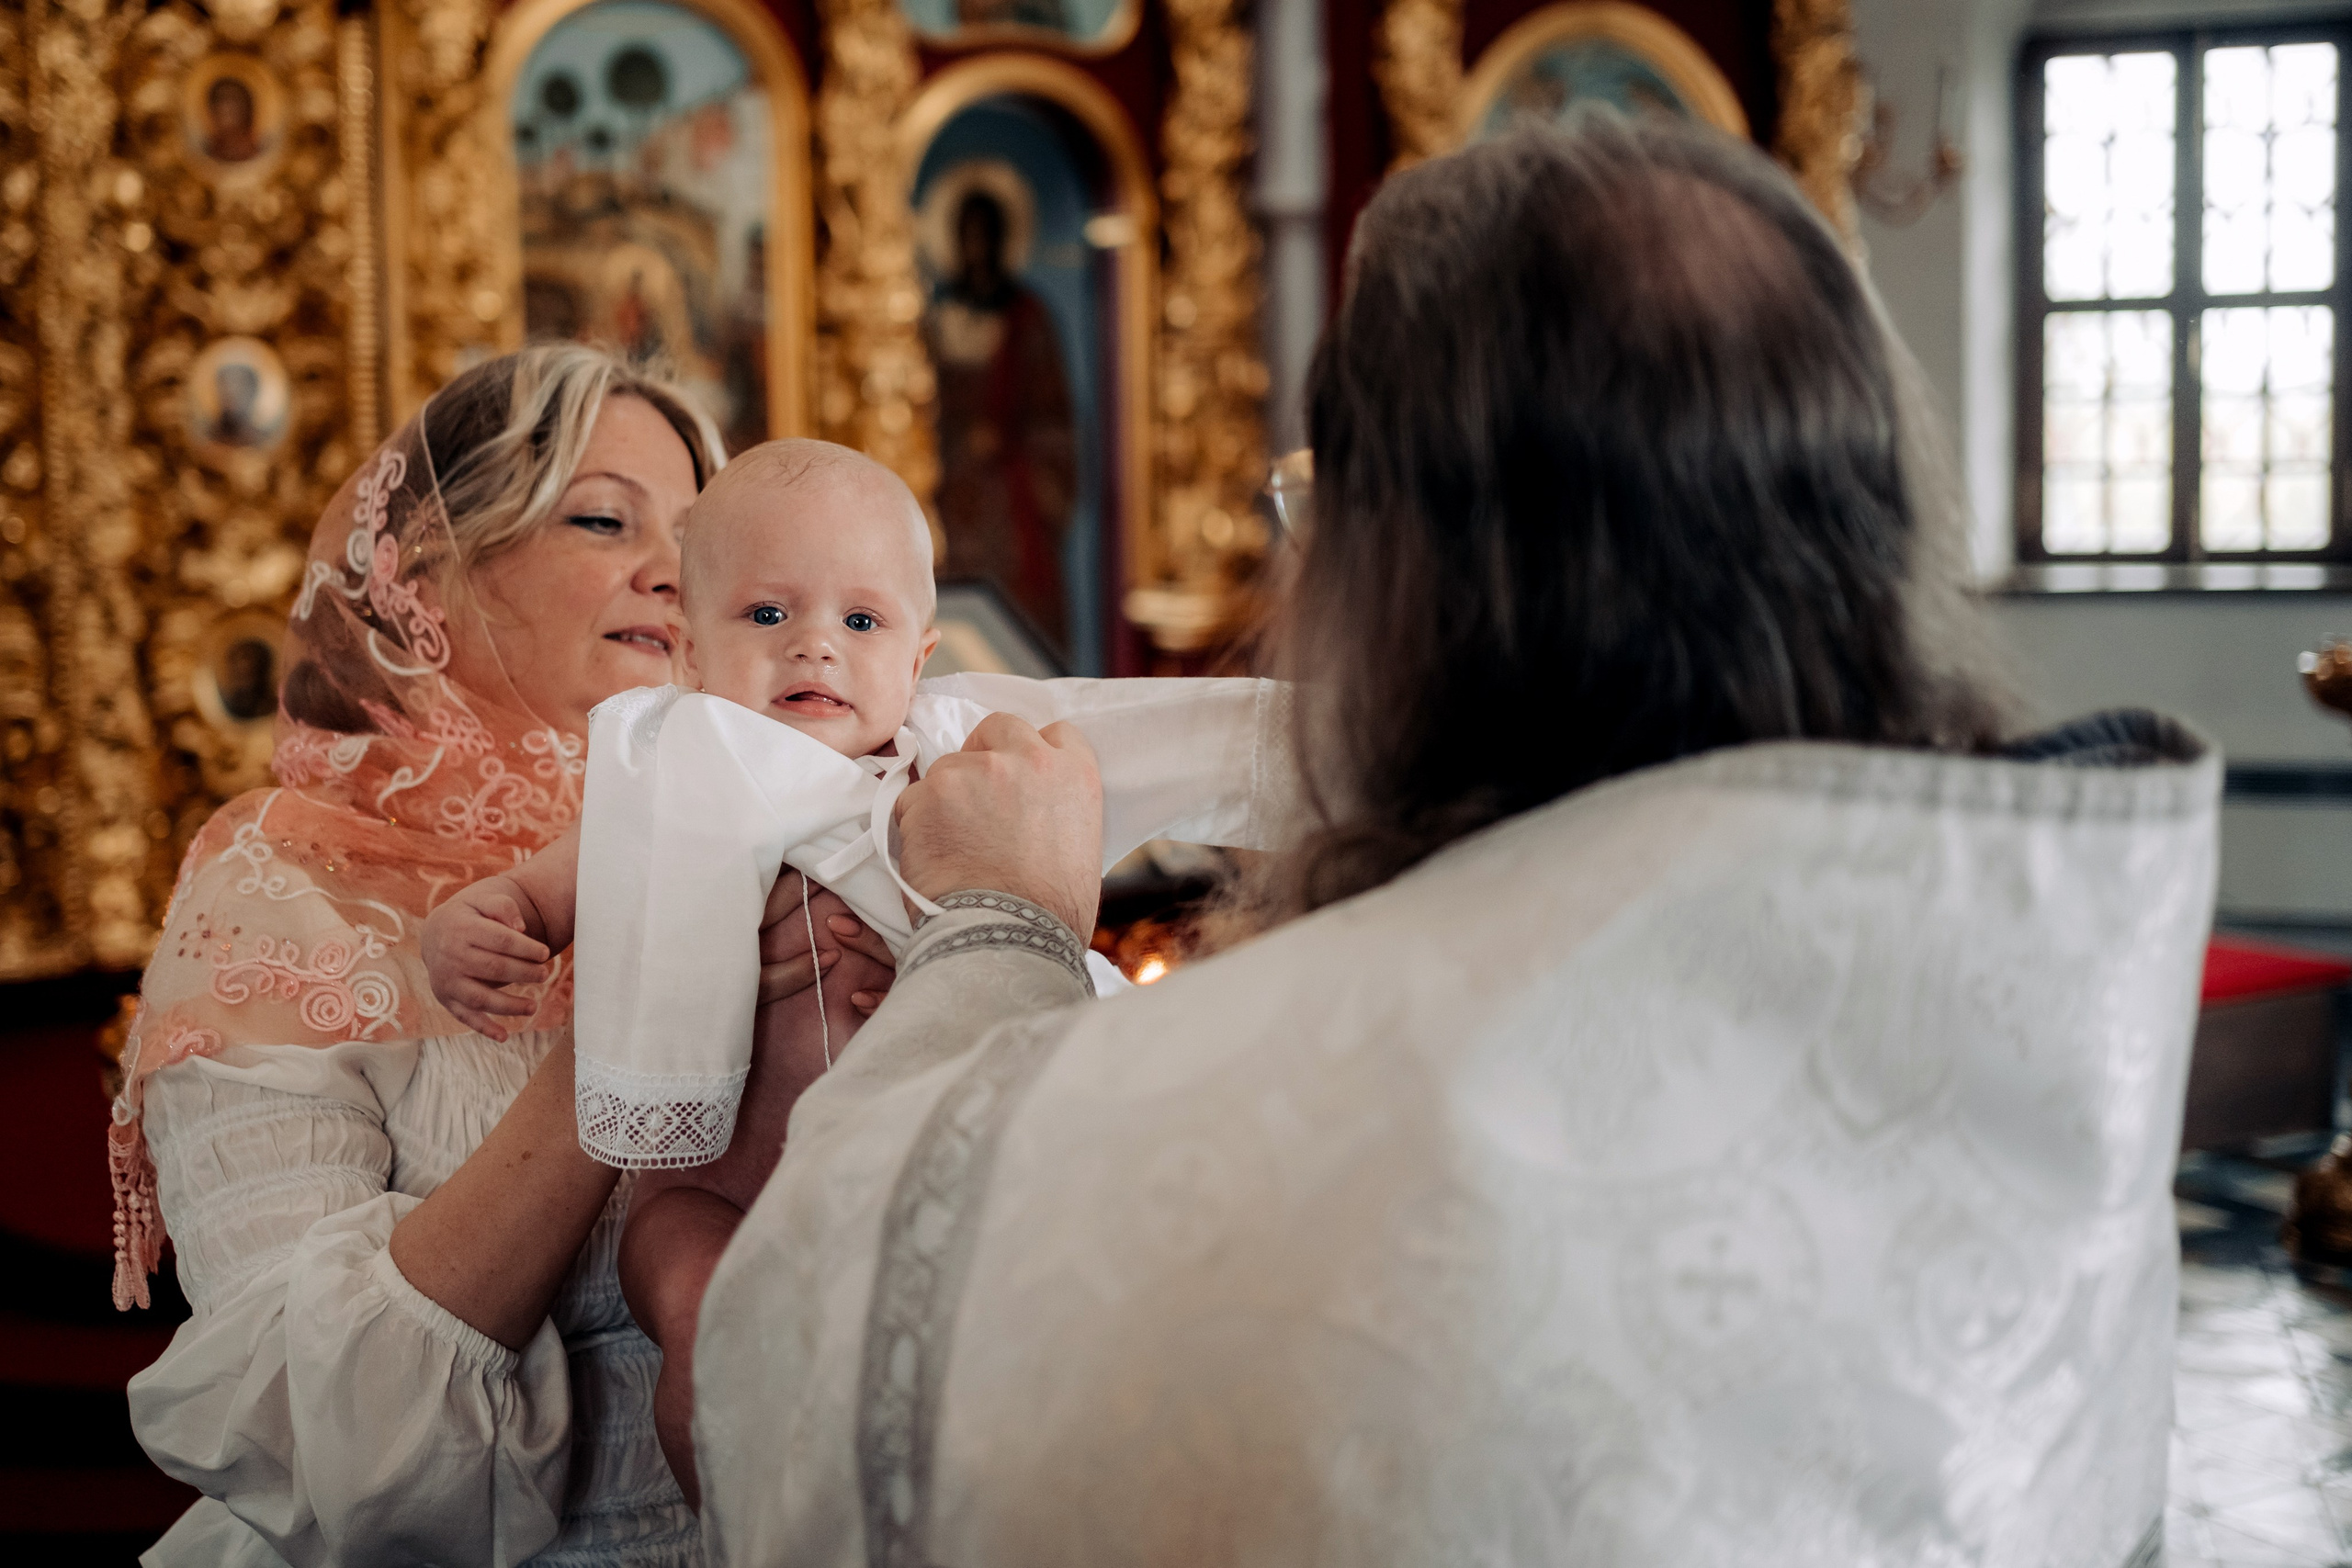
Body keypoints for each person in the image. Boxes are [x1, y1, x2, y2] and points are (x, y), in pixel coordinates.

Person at [690, 118, 2221, 1564]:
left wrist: (994, 933)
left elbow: (810, 1388)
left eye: (1316, 518)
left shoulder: (1342, 1078)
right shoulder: (2041, 1031)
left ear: (1407, 583)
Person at [112, 345, 898, 1567]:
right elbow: (314, 1446)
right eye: (602, 517)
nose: (670, 568)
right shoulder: (280, 888)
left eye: (696, 537)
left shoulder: (792, 823)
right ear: (426, 569)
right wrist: (630, 1030)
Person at [421, 437, 1287, 1504]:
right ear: (688, 653)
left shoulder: (956, 755)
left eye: (860, 623)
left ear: (919, 658)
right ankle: (742, 1524)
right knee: (693, 1305)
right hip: (719, 1185)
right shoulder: (672, 773)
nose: (815, 651)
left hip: (919, 1165)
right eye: (768, 616)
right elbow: (544, 892)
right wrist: (475, 926)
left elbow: (1163, 742)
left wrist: (1301, 751)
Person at [928, 187, 1078, 654]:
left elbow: (1055, 415)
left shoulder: (1027, 319)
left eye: (984, 236)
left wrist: (1009, 443)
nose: (975, 247)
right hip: (950, 490)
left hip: (1014, 500)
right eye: (966, 236)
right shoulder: (937, 317)